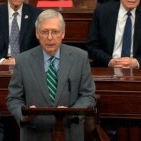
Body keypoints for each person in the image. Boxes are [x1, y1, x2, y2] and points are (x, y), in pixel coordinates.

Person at [6, 9, 96, 141]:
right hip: (35, 133)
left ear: (63, 33)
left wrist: (72, 113)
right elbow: (13, 98)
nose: (49, 37)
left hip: (70, 132)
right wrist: (24, 114)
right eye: (44, 32)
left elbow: (88, 95)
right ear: (37, 34)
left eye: (55, 32)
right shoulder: (23, 60)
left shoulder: (80, 57)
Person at [85, 0, 141, 68]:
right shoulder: (102, 11)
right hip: (107, 67)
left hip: (140, 69)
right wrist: (109, 61)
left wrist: (137, 62)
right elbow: (92, 46)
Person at [0, 0, 42, 65]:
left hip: (27, 63)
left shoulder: (36, 14)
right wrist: (2, 61)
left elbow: (40, 46)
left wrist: (22, 60)